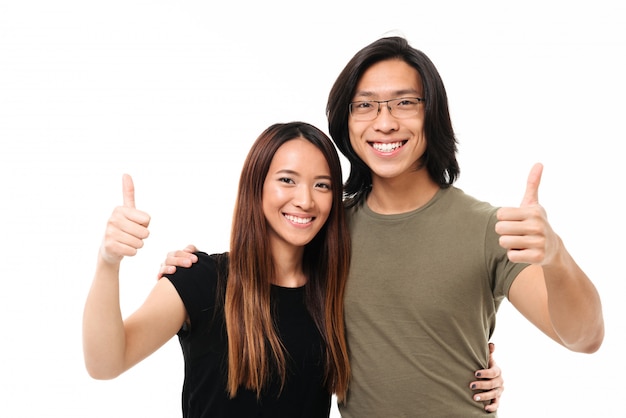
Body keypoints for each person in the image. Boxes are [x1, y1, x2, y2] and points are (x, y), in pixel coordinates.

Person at [161, 36, 606, 416]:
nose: (386, 121)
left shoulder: (488, 228)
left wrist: (557, 256)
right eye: (366, 106)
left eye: (405, 103)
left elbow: (584, 338)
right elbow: (266, 280)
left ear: (433, 113)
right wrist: (191, 275)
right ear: (345, 122)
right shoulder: (327, 228)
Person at [82, 122, 353, 417]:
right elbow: (105, 364)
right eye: (287, 180)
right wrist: (108, 261)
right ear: (256, 185)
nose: (305, 200)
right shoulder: (201, 279)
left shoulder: (335, 292)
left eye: (322, 185)